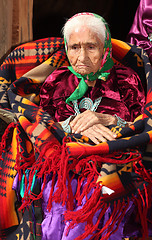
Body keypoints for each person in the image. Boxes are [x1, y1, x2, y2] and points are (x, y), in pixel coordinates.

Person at [38, 13, 147, 240]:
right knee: (60, 196)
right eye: (75, 47)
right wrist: (74, 128)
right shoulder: (55, 82)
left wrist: (108, 120)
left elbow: (143, 126)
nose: (82, 57)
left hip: (114, 162)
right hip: (68, 164)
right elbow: (42, 125)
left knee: (101, 196)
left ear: (105, 48)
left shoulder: (126, 80)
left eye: (91, 47)